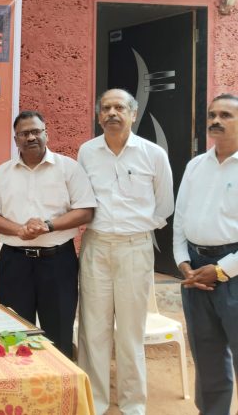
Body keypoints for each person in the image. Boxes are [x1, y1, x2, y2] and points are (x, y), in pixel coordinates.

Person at [77, 88, 174, 415]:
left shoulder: (153, 154)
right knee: (93, 328)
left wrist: (136, 229)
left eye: (119, 107)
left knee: (131, 331)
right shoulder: (87, 152)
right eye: (106, 108)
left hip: (135, 248)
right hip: (96, 245)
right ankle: (96, 401)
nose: (112, 113)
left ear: (133, 114)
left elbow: (164, 206)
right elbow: (82, 198)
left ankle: (133, 404)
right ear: (98, 116)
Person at [0, 111, 95, 359]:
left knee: (59, 333)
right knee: (14, 332)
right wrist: (19, 230)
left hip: (58, 262)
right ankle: (19, 381)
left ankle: (60, 381)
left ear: (47, 133)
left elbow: (85, 211)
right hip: (15, 261)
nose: (31, 137)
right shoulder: (3, 172)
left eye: (36, 131)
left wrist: (48, 226)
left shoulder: (68, 168)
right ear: (16, 139)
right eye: (24, 133)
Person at [173, 93, 238, 415]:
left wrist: (223, 269)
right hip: (196, 271)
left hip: (233, 270)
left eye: (226, 115)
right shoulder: (195, 165)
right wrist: (182, 261)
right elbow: (180, 218)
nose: (216, 120)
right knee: (207, 355)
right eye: (212, 114)